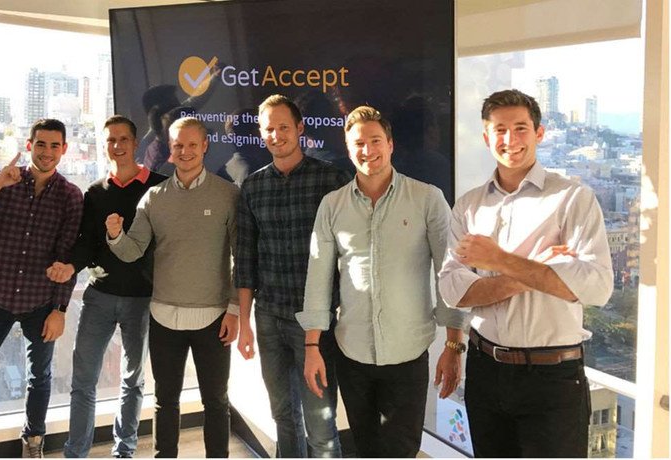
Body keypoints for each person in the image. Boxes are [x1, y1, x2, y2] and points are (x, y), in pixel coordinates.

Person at [437, 89, 613, 458]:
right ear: (487, 137)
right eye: (499, 130)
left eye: (520, 128)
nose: (510, 139)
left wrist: (498, 260)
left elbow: (596, 287)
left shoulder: (572, 199)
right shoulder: (469, 206)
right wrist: (539, 269)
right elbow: (454, 291)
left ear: (539, 133)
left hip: (552, 377)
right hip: (485, 369)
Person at [298, 106, 466, 458]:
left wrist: (453, 345)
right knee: (366, 448)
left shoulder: (427, 198)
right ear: (348, 149)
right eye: (359, 143)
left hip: (408, 353)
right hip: (352, 352)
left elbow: (449, 272)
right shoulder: (332, 205)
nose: (368, 150)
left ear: (390, 145)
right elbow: (318, 277)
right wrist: (312, 347)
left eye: (375, 141)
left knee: (401, 450)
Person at [107, 117, 239, 458]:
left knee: (216, 401)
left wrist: (235, 309)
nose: (185, 151)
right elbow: (133, 250)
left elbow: (242, 257)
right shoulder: (154, 197)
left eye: (192, 144)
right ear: (170, 148)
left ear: (205, 146)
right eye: (178, 145)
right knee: (165, 401)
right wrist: (115, 235)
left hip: (213, 317)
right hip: (164, 316)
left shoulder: (228, 195)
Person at [0, 119, 83, 458]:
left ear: (64, 150)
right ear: (29, 146)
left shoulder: (70, 196)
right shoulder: (6, 181)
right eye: (40, 144)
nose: (47, 152)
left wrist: (59, 310)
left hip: (39, 302)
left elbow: (66, 255)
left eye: (54, 146)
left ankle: (33, 441)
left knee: (39, 378)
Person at [235, 94, 350, 457]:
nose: (276, 135)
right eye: (269, 129)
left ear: (300, 128)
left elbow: (350, 253)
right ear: (261, 133)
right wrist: (244, 323)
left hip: (315, 322)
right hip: (268, 317)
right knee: (283, 417)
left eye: (283, 127)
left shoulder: (331, 179)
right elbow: (246, 260)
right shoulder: (253, 187)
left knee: (321, 425)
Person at [49, 116, 166, 458]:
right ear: (104, 145)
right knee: (83, 381)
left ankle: (124, 451)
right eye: (111, 140)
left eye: (123, 139)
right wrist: (71, 266)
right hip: (99, 296)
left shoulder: (159, 187)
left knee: (133, 381)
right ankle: (76, 452)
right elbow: (86, 243)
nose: (117, 145)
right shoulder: (95, 192)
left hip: (142, 299)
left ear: (136, 143)